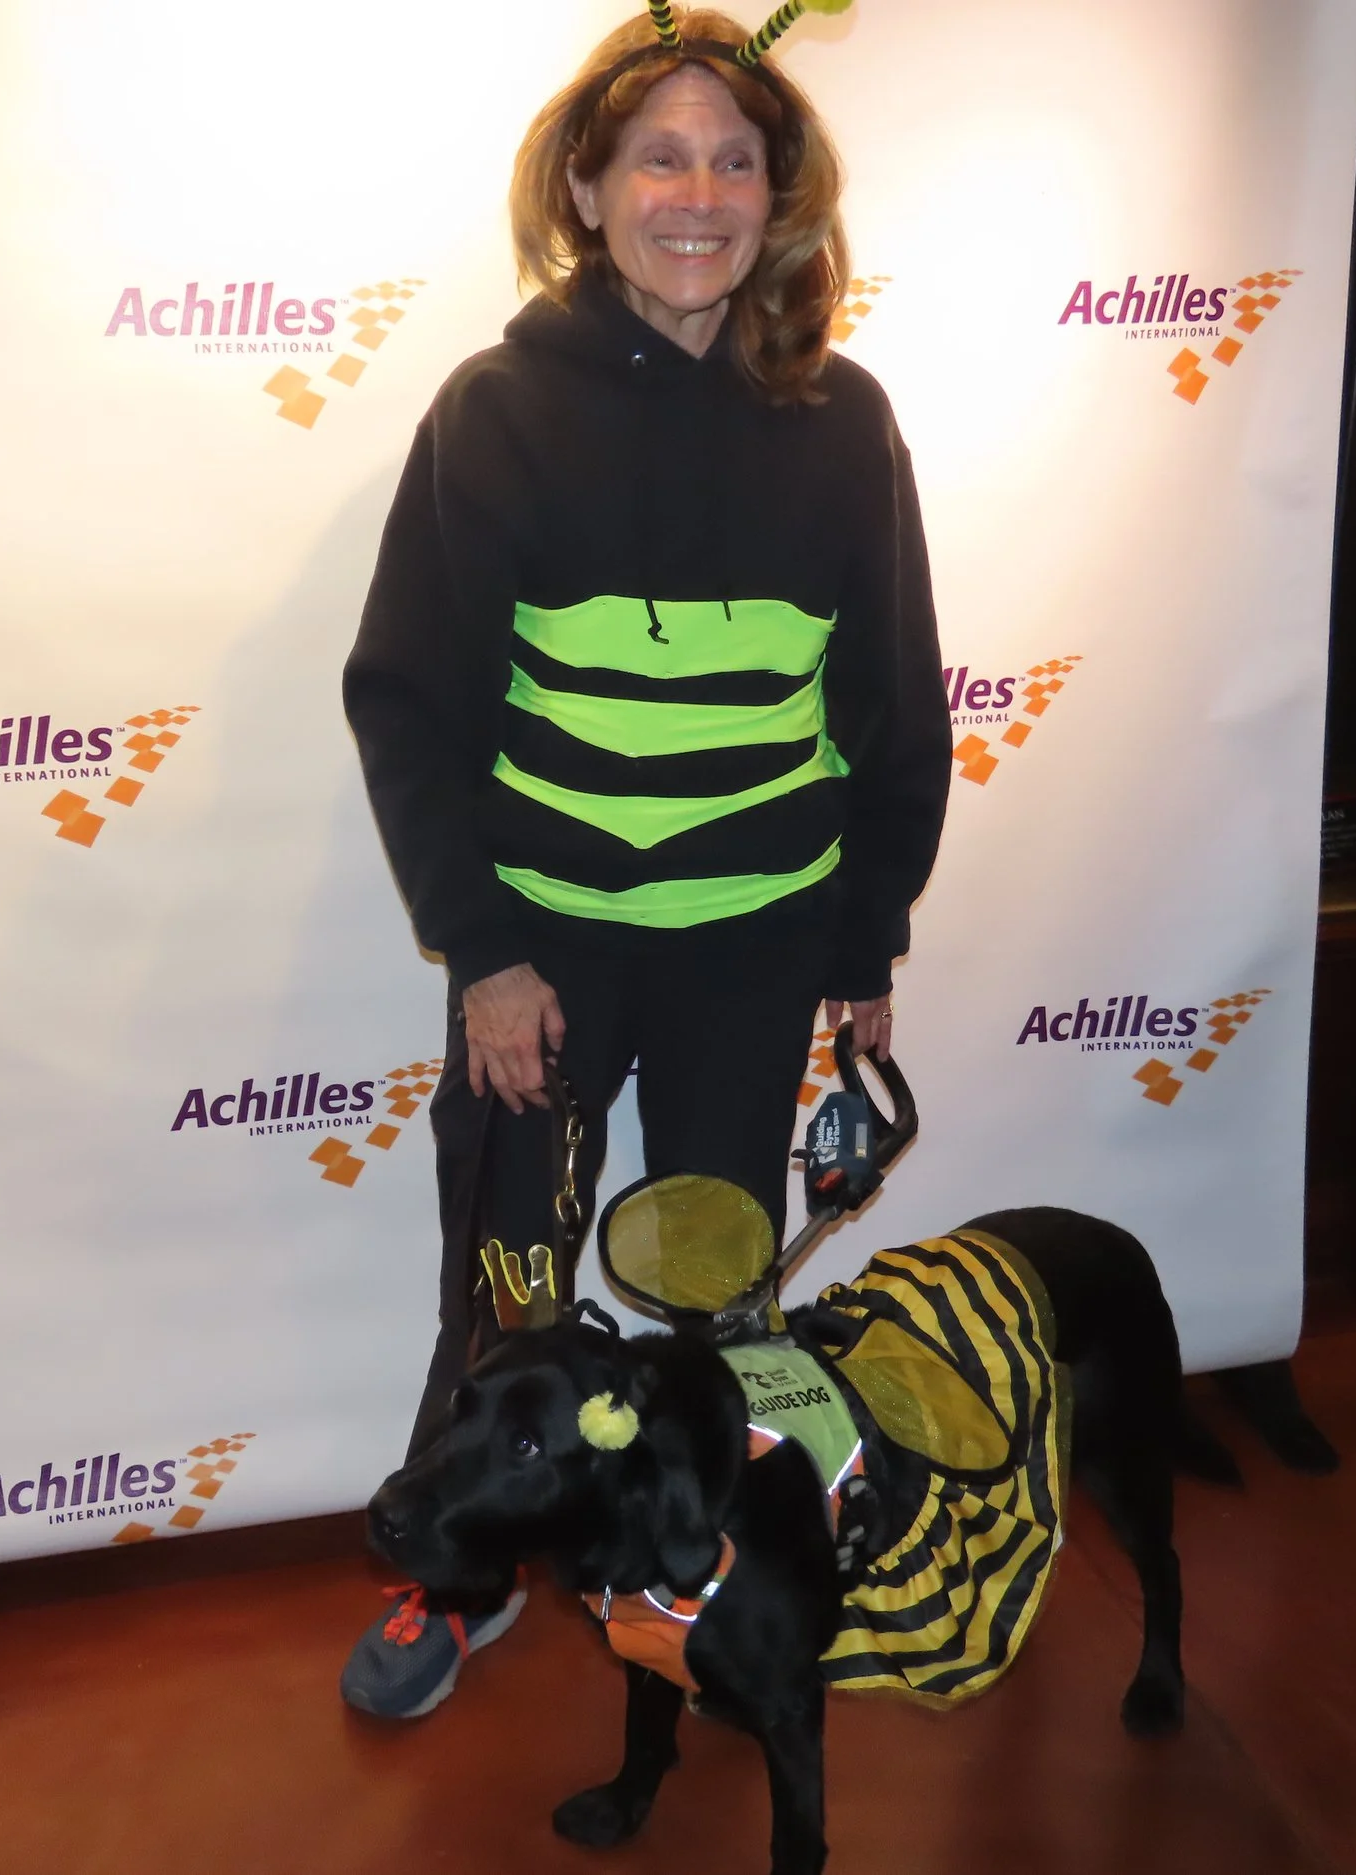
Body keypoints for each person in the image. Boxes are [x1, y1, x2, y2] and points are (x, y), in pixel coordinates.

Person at [338, 3, 947, 1719]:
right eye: (659, 155)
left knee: (722, 1290)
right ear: (590, 189)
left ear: (782, 195)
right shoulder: (495, 412)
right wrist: (485, 951)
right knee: (511, 1293)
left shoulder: (844, 421)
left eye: (734, 158)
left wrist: (864, 945)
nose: (699, 192)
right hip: (550, 953)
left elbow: (889, 705)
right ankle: (450, 1579)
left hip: (753, 959)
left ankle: (707, 1569)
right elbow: (410, 702)